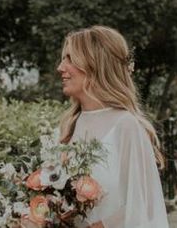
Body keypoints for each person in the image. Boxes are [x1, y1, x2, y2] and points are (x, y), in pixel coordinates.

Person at [57, 26, 168, 228]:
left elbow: (143, 206)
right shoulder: (70, 125)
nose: (60, 67)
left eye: (70, 59)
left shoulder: (126, 126)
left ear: (96, 65)